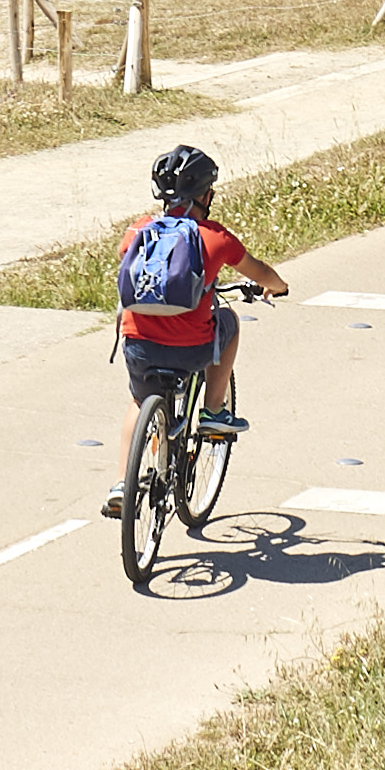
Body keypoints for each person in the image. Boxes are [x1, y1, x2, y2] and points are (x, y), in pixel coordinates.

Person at [104, 142, 285, 509]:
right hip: (192, 350)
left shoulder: (139, 231)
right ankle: (214, 411)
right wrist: (276, 286)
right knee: (229, 321)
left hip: (139, 345)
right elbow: (260, 272)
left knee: (140, 400)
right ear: (204, 194)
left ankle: (124, 485)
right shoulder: (215, 238)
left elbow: (129, 261)